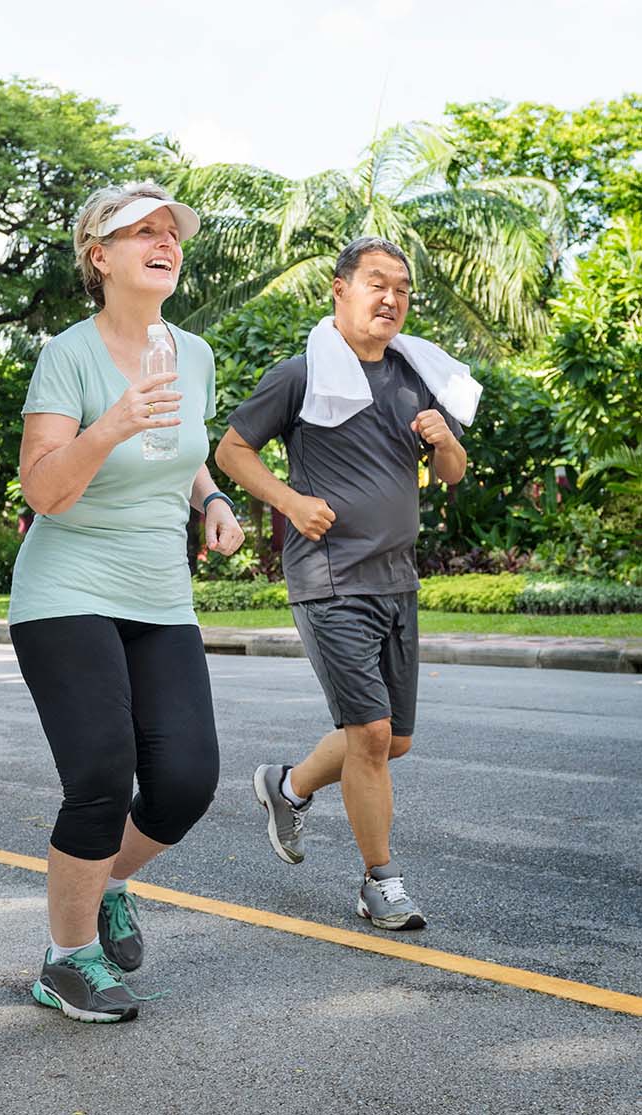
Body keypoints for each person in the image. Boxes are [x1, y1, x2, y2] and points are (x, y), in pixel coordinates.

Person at [9, 183, 244, 1023]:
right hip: (64, 588)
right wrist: (106, 425)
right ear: (98, 256)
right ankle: (65, 958)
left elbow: (179, 454)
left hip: (159, 594)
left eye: (170, 230)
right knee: (103, 773)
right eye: (139, 231)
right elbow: (45, 487)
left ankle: (103, 885)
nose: (163, 241)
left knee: (184, 782)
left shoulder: (196, 352)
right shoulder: (66, 355)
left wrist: (211, 500)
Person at [215, 236, 471, 931]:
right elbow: (231, 450)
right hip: (329, 578)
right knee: (371, 732)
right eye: (377, 284)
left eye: (403, 289)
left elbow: (452, 472)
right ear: (340, 290)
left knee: (392, 742)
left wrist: (443, 438)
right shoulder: (302, 374)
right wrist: (291, 503)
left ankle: (288, 786)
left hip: (397, 579)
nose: (391, 299)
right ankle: (379, 882)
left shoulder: (413, 376)